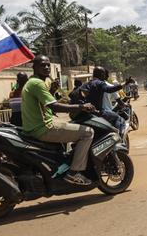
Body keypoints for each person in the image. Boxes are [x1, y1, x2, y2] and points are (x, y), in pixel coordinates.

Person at [21, 55, 95, 186]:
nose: (46, 67)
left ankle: (64, 165)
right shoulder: (37, 83)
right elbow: (54, 106)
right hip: (44, 127)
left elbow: (46, 104)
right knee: (88, 132)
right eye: (42, 65)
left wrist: (52, 91)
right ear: (34, 67)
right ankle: (73, 172)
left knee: (71, 125)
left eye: (48, 65)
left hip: (37, 126)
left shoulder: (35, 82)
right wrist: (81, 106)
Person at [80, 66, 128, 136]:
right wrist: (125, 83)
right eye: (104, 74)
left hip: (87, 113)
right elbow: (110, 89)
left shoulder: (85, 84)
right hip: (99, 112)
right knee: (120, 119)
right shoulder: (100, 83)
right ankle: (119, 139)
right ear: (102, 74)